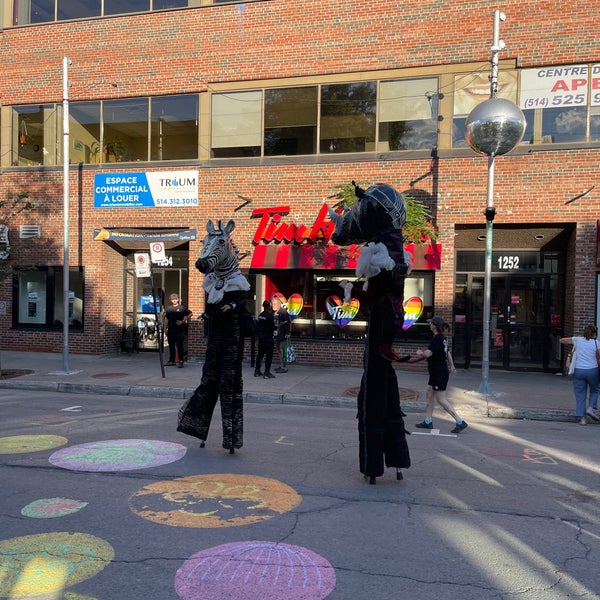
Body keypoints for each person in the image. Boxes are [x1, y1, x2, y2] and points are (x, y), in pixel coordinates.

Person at [415, 316, 468, 434]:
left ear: (434, 326)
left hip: (439, 373)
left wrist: (420, 353)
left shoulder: (437, 339)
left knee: (441, 399)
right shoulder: (441, 338)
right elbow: (447, 352)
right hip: (437, 372)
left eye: (430, 323)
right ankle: (428, 421)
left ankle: (460, 421)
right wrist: (452, 365)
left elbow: (428, 354)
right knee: (429, 393)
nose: (429, 325)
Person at [560, 324, 600, 425]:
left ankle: (582, 419)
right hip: (593, 370)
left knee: (580, 395)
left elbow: (562, 340)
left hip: (578, 370)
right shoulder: (597, 343)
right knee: (595, 390)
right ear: (594, 334)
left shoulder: (577, 340)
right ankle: (590, 408)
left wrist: (574, 341)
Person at [164, 293, 192, 368]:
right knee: (171, 346)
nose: (174, 300)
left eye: (176, 299)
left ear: (178, 299)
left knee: (180, 345)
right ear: (170, 300)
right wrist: (165, 328)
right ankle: (172, 360)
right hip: (171, 329)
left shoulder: (182, 308)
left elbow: (190, 314)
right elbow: (167, 319)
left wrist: (182, 321)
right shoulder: (169, 309)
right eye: (173, 299)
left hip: (179, 330)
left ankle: (181, 361)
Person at [255, 300, 276, 379]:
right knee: (269, 356)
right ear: (269, 306)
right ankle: (266, 372)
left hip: (261, 338)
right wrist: (278, 326)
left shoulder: (260, 315)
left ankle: (257, 370)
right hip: (268, 338)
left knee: (260, 354)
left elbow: (259, 325)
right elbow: (272, 327)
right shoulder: (270, 316)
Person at [272, 295, 291, 373]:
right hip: (276, 334)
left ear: (279, 304)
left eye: (275, 304)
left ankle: (284, 367)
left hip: (282, 334)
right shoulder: (274, 312)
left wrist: (287, 332)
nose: (273, 305)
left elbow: (288, 323)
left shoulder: (283, 312)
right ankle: (281, 365)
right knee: (278, 350)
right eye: (272, 303)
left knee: (282, 350)